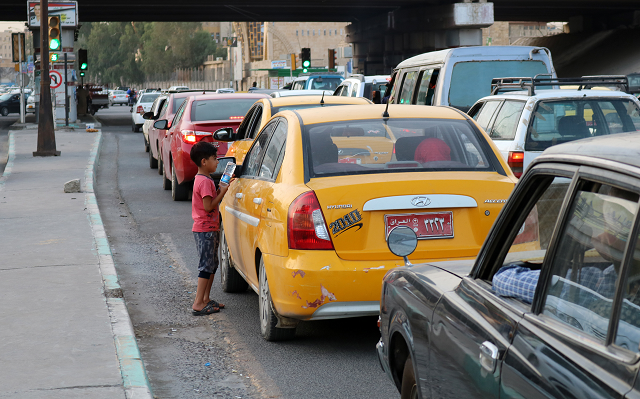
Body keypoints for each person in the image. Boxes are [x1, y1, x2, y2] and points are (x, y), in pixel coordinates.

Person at [189, 142, 231, 315]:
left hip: (209, 228)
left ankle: (206, 298)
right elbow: (208, 206)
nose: (217, 162)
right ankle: (198, 303)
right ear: (204, 162)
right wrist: (223, 192)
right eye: (215, 159)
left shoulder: (204, 179)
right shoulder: (204, 182)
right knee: (206, 267)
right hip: (204, 230)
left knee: (212, 265)